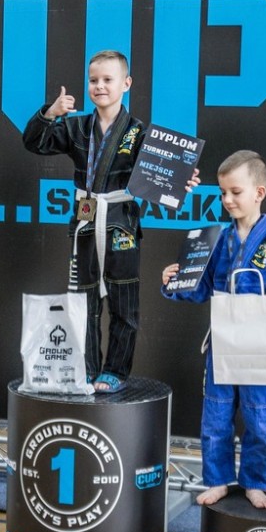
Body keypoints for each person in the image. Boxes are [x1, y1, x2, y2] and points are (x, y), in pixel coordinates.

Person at [23, 49, 198, 393]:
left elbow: (164, 173)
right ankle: (87, 369)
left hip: (121, 224)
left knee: (123, 301)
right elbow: (33, 142)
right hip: (86, 222)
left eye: (107, 79)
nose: (100, 86)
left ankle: (115, 370)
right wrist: (49, 113)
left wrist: (182, 180)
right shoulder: (75, 127)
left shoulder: (139, 133)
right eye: (93, 80)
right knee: (84, 301)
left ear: (126, 84)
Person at [160, 150, 266, 509]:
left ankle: (254, 482)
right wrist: (174, 282)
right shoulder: (217, 239)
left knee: (260, 419)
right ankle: (218, 479)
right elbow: (201, 288)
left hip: (260, 345)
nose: (227, 200)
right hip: (222, 343)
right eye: (223, 193)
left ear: (259, 192)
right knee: (216, 416)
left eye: (235, 192)